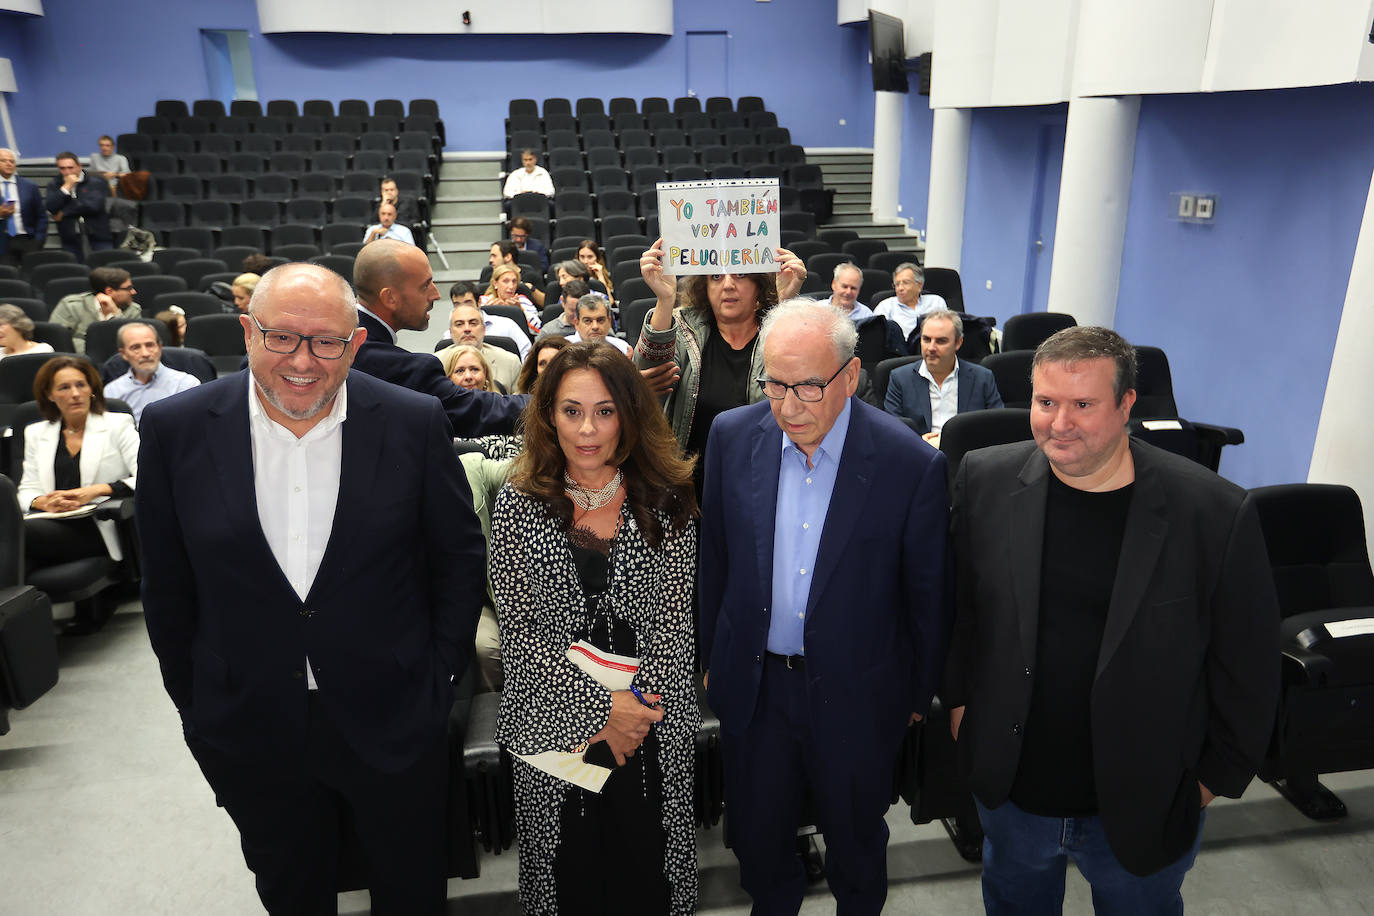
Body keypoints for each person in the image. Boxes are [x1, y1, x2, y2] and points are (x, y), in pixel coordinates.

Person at [139, 262, 486, 915]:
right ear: (247, 331)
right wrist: (200, 711)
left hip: (394, 718)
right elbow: (166, 586)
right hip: (251, 726)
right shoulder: (174, 429)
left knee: (412, 891)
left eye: (326, 341)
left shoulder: (412, 422)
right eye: (281, 337)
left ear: (356, 344)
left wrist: (436, 678)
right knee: (291, 892)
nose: (303, 360)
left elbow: (457, 559)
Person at [944, 326, 1280, 914]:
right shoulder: (983, 480)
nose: (1059, 422)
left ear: (1127, 405)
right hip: (1013, 794)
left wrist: (1211, 779)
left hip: (1145, 802)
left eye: (1083, 405)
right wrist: (958, 705)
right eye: (1045, 403)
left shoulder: (1213, 512)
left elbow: (1247, 664)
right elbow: (960, 610)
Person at [698, 298, 951, 915]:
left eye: (809, 386)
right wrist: (710, 658)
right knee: (758, 845)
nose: (789, 406)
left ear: (853, 374)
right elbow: (716, 563)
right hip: (756, 693)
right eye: (775, 384)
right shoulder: (733, 437)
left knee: (857, 849)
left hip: (859, 699)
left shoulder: (909, 464)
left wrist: (916, 697)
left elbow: (928, 595)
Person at [491, 341, 700, 915]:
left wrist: (631, 717)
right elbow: (522, 631)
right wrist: (601, 712)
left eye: (605, 411)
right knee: (568, 878)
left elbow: (673, 629)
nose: (587, 429)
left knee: (648, 874)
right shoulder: (517, 501)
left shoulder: (667, 497)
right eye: (571, 410)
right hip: (552, 719)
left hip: (650, 723)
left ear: (630, 414)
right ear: (547, 415)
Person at [634, 236, 806, 457]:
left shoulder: (777, 329)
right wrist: (665, 300)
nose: (728, 284)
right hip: (690, 476)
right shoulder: (683, 327)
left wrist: (786, 302)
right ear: (704, 287)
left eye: (741, 274)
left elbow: (800, 379)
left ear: (758, 284)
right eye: (716, 276)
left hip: (762, 471)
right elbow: (648, 371)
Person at [351, 239, 525, 436]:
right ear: (390, 298)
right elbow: (474, 411)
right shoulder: (377, 359)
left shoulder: (344, 335)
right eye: (425, 286)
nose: (435, 294)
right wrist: (551, 404)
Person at [19, 356, 139, 634]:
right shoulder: (36, 433)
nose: (74, 394)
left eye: (80, 385)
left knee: (16, 537)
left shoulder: (117, 424)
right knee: (19, 552)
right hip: (48, 523)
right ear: (49, 395)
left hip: (97, 526)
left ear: (91, 388)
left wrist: (95, 491)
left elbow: (146, 473)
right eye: (63, 388)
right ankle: (23, 636)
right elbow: (26, 489)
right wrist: (42, 501)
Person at [883, 308, 1003, 442]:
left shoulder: (982, 378)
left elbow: (997, 426)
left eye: (941, 341)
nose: (931, 348)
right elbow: (891, 429)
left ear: (958, 343)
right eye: (926, 339)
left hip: (966, 455)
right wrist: (918, 442)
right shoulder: (899, 378)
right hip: (919, 454)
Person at [103, 321, 201, 425]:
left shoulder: (186, 384)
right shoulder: (112, 391)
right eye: (136, 348)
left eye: (150, 345)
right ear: (124, 354)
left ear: (159, 348)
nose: (145, 353)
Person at [50, 267, 142, 353]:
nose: (134, 292)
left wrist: (116, 314)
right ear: (109, 291)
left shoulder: (133, 310)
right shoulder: (71, 305)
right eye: (128, 288)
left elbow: (134, 340)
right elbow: (57, 339)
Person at [439, 300, 522, 391]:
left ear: (484, 329)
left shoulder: (510, 363)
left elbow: (520, 403)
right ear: (450, 332)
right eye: (459, 324)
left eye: (473, 323)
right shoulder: (437, 362)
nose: (467, 329)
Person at [44, 151, 113, 260]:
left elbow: (93, 205)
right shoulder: (54, 184)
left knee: (105, 268)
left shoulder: (96, 181)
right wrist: (66, 188)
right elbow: (51, 207)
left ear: (79, 166)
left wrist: (64, 212)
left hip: (98, 234)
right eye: (62, 168)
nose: (67, 172)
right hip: (70, 237)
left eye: (70, 168)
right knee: (76, 271)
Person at [448, 280, 530, 359]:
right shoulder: (449, 334)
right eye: (457, 304)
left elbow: (527, 353)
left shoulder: (507, 325)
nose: (463, 308)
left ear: (479, 302)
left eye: (468, 303)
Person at [873, 262, 947, 343]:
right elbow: (876, 337)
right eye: (897, 284)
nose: (900, 288)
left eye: (905, 283)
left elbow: (946, 330)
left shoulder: (936, 302)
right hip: (900, 351)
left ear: (919, 286)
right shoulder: (885, 306)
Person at [0, 147, 48, 266]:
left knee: (31, 276)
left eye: (12, 161)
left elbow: (41, 215)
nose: (9, 164)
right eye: (4, 161)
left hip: (27, 240)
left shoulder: (29, 186)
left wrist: (39, 239)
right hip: (2, 240)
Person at [482, 263, 541, 335]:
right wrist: (489, 311)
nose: (511, 286)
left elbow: (538, 329)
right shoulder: (484, 301)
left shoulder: (523, 301)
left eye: (514, 281)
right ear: (495, 283)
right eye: (506, 281)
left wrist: (520, 311)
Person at [535, 277, 589, 342]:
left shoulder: (595, 327)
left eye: (580, 311)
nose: (577, 316)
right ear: (563, 301)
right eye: (573, 310)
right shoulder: (549, 332)